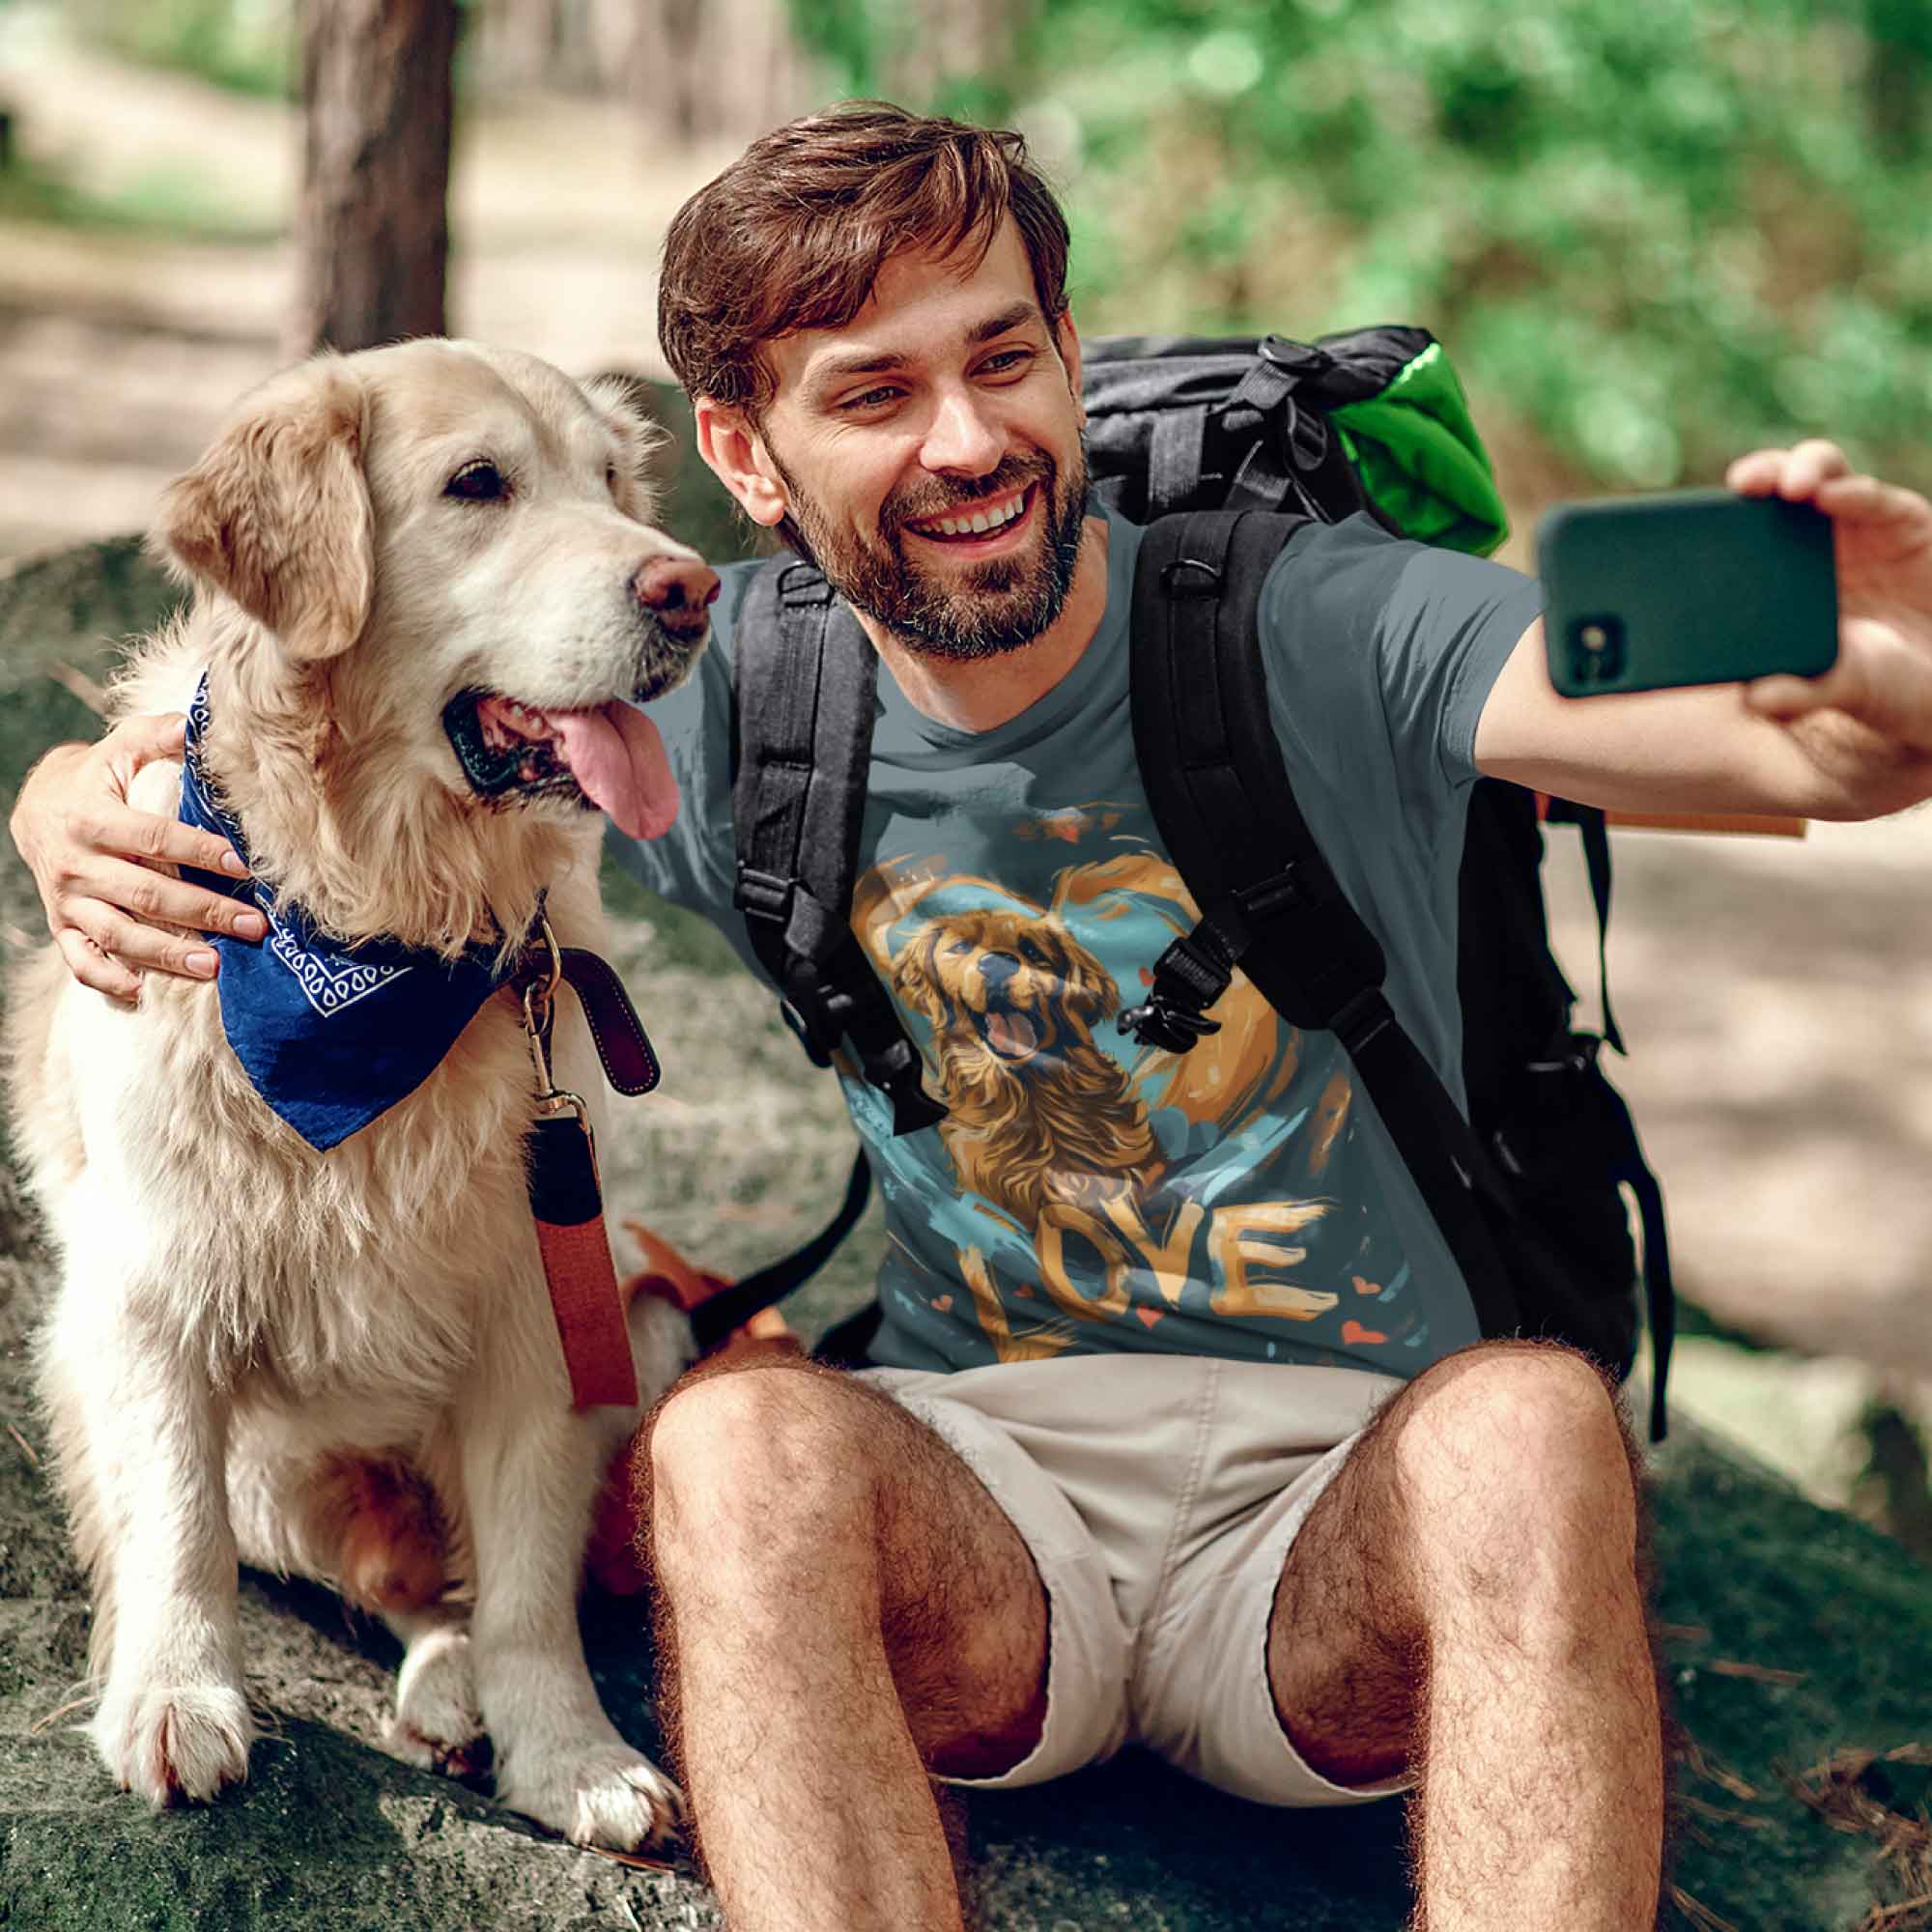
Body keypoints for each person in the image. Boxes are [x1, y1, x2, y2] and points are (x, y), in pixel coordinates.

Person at [12, 102, 1932, 1932]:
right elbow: (323, 720)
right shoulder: (717, 706)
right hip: (985, 1519)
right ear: (747, 460)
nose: (967, 438)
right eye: (872, 394)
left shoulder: (1307, 619)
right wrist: (63, 804)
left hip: (1339, 1522)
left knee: (1530, 1423)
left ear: (1068, 354)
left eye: (1002, 357)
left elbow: (1802, 758)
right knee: (733, 1448)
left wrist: (1887, 672)